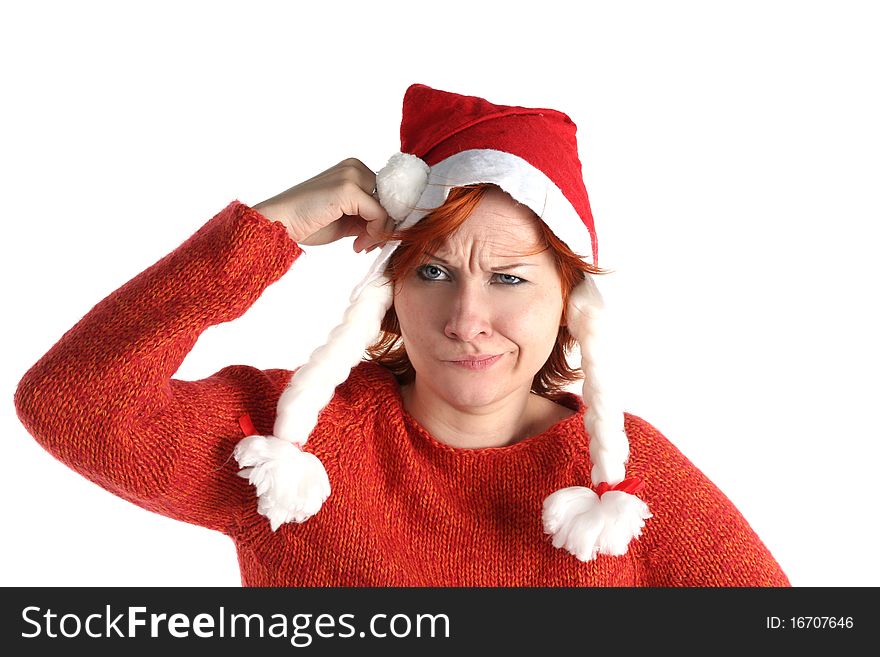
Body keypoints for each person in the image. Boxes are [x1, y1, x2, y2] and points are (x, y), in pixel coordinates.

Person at [13, 83, 790, 586]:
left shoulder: (623, 476)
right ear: (385, 290)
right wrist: (267, 230)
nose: (466, 319)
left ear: (569, 301)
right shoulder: (292, 444)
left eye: (510, 277)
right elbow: (71, 401)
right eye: (432, 272)